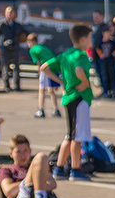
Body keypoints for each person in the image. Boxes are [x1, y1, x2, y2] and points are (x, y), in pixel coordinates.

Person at [0, 134, 115, 198]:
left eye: (25, 150)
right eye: (18, 151)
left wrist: (38, 182)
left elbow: (52, 184)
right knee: (42, 157)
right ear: (11, 153)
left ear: (30, 151)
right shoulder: (7, 170)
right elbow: (9, 191)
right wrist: (34, 181)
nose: (22, 155)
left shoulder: (36, 167)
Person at [40, 24, 93, 181]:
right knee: (78, 137)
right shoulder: (81, 56)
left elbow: (44, 67)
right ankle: (76, 169)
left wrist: (61, 81)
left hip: (69, 97)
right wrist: (84, 82)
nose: (91, 41)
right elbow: (79, 70)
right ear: (82, 39)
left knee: (70, 135)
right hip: (80, 98)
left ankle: (59, 167)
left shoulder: (65, 54)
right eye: (90, 38)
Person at [27, 33, 61, 118]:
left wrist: (39, 73)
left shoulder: (32, 50)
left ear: (31, 42)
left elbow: (38, 63)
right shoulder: (44, 47)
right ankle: (56, 109)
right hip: (54, 66)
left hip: (45, 68)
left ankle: (41, 110)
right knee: (51, 90)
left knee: (41, 90)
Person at [0, 6, 27, 92]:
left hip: (15, 48)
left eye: (11, 13)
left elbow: (25, 34)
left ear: (14, 14)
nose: (10, 15)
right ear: (5, 14)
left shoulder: (17, 25)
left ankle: (17, 86)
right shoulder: (1, 24)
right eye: (8, 13)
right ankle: (7, 86)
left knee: (16, 67)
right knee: (5, 67)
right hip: (5, 49)